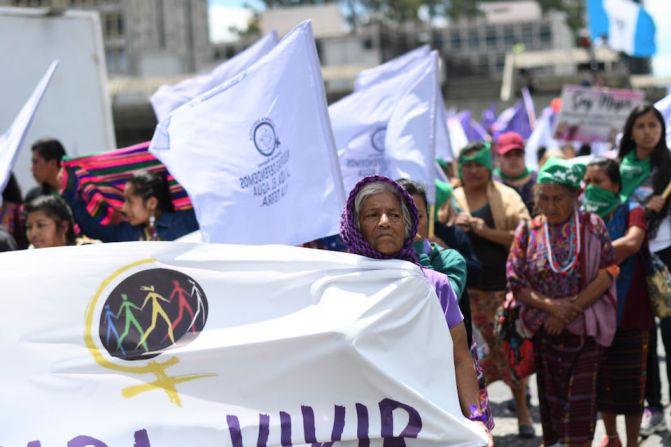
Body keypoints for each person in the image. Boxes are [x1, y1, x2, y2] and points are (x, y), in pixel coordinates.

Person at [340, 175, 492, 445]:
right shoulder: (339, 285)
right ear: (356, 226)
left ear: (408, 224)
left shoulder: (434, 285)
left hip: (424, 420)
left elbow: (459, 357)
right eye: (372, 215)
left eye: (395, 215)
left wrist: (475, 419)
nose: (384, 222)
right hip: (364, 422)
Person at [507, 157, 618, 447]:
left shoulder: (592, 227)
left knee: (580, 409)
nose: (551, 205)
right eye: (544, 197)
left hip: (585, 331)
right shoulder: (527, 232)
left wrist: (570, 309)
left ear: (575, 197)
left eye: (559, 198)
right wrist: (552, 308)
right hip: (546, 332)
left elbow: (609, 271)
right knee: (553, 407)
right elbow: (515, 282)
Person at [397, 178, 493, 431]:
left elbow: (440, 300)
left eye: (417, 215)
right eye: (401, 215)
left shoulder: (449, 259)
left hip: (450, 371)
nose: (410, 224)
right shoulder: (376, 266)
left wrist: (417, 250)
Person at [451, 142, 533, 438]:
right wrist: (453, 225)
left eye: (478, 164)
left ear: (489, 167)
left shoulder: (507, 196)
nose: (472, 170)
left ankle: (522, 411)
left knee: (509, 352)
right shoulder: (451, 198)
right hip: (465, 295)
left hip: (502, 290)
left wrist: (485, 231)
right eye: (467, 164)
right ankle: (475, 418)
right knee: (469, 357)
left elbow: (525, 237)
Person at [583, 157, 654, 447]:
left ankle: (633, 442)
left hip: (632, 311)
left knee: (632, 384)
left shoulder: (632, 210)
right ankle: (611, 437)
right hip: (595, 312)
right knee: (603, 382)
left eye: (597, 182)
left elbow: (632, 243)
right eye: (587, 182)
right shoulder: (584, 215)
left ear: (615, 185)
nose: (590, 188)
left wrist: (589, 253)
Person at [615, 103, 671, 436]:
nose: (648, 131)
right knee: (642, 334)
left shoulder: (669, 164)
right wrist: (641, 208)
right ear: (631, 131)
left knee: (669, 331)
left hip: (665, 253)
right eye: (641, 126)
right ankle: (654, 406)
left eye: (654, 125)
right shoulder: (617, 168)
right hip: (633, 256)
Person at [68, 169, 199, 242]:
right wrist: (70, 189)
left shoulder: (188, 223)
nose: (124, 208)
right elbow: (92, 228)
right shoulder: (127, 234)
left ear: (152, 203)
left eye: (130, 201)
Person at [493, 131, 537, 214]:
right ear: (498, 157)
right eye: (508, 155)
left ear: (524, 155)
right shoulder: (491, 182)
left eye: (518, 154)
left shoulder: (538, 180)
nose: (513, 159)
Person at [25, 138, 66, 203]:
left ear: (53, 163)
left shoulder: (81, 194)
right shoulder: (33, 198)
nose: (32, 168)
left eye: (35, 162)